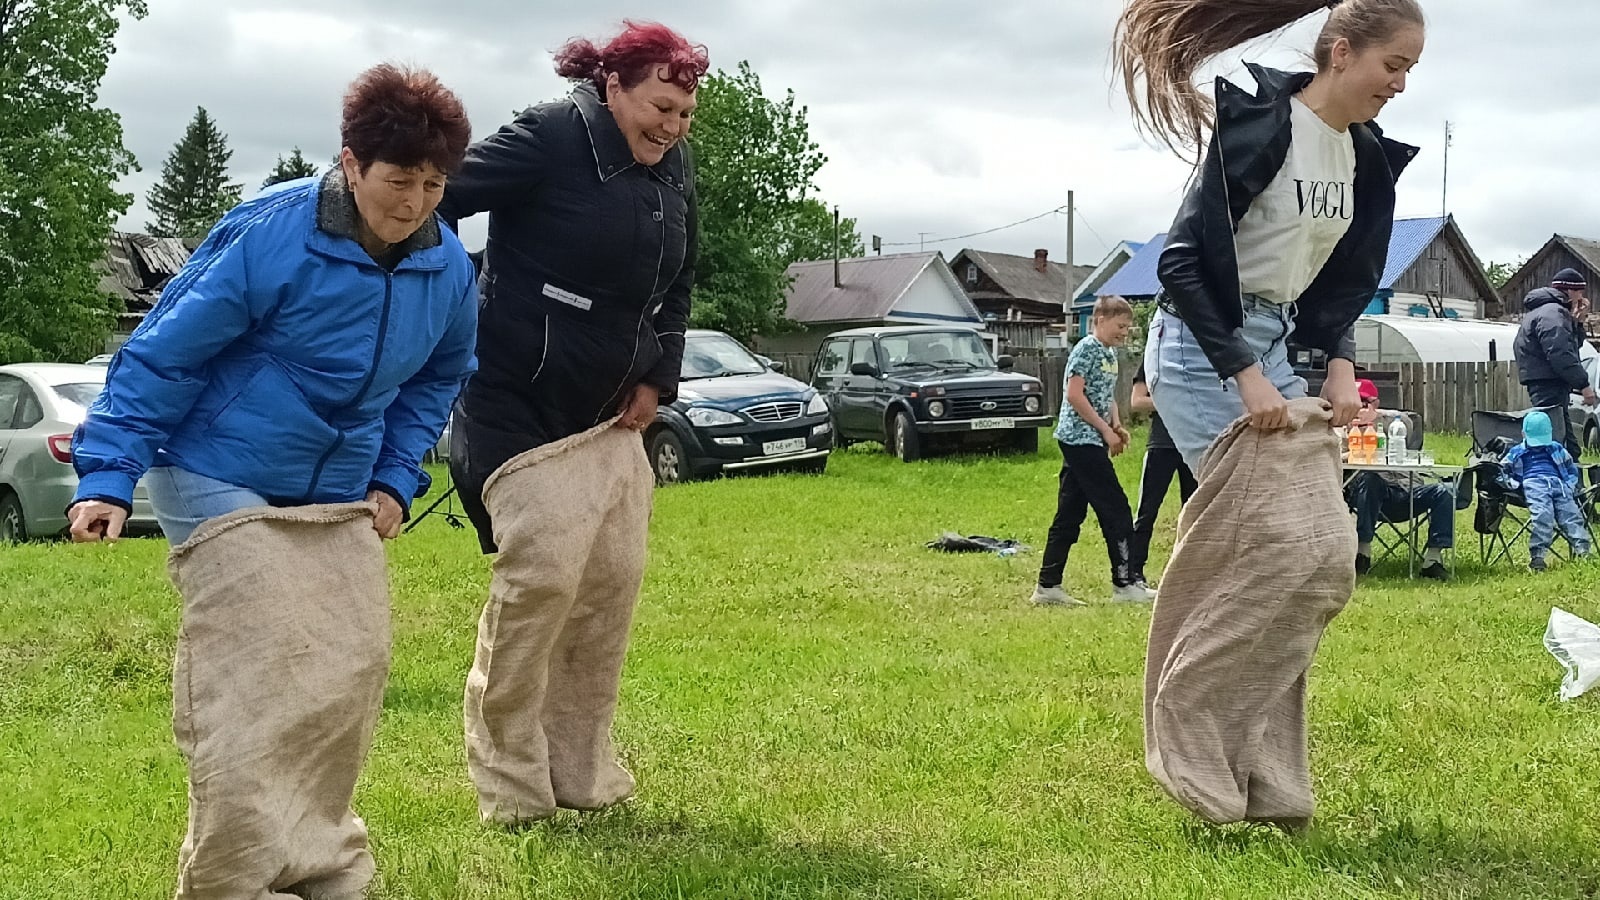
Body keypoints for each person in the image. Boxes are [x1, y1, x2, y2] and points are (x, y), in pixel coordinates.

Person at [67, 64, 477, 897]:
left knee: (346, 668)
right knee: (260, 670)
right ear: (352, 163)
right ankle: (233, 876)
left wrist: (396, 478)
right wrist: (108, 474)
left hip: (337, 480)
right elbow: (163, 354)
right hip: (215, 466)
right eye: (400, 181)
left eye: (435, 185)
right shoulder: (272, 233)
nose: (416, 204)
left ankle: (317, 860)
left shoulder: (447, 266)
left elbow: (439, 377)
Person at [1115, 0, 1424, 826]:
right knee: (1280, 545)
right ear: (1340, 51)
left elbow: (1339, 282)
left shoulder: (1363, 156)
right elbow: (1180, 262)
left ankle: (1266, 782)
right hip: (1202, 350)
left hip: (1282, 344)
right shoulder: (1262, 129)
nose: (1400, 84)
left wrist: (1340, 364)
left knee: (1324, 560)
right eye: (1392, 65)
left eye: (1410, 71)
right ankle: (1186, 730)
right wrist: (1247, 376)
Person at [435, 21, 706, 826]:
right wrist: (454, 305)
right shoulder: (550, 136)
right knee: (544, 580)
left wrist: (660, 374)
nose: (672, 127)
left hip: (612, 416)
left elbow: (681, 279)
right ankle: (511, 783)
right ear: (613, 87)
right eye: (660, 107)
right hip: (515, 404)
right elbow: (437, 198)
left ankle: (580, 772)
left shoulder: (674, 167)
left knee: (606, 591)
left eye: (686, 114)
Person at [1031, 297, 1153, 607]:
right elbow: (1074, 395)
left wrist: (1116, 424)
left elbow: (1105, 394)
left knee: (1069, 514)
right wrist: (1103, 430)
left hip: (1093, 437)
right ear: (1099, 320)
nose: (1124, 333)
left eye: (1127, 327)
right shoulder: (1085, 349)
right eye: (1120, 326)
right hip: (1079, 439)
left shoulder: (1109, 353)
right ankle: (1125, 585)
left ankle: (1048, 586)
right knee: (1117, 510)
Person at [1345, 379, 1452, 580]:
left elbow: (1408, 421)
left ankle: (1433, 560)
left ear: (1375, 403)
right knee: (1370, 478)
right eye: (1355, 402)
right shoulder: (1342, 429)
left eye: (1364, 402)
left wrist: (1377, 416)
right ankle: (1363, 554)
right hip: (1369, 499)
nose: (1359, 408)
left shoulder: (1392, 423)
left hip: (1407, 492)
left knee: (1443, 492)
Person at [1514, 267, 1595, 459]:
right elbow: (1561, 353)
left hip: (1545, 383)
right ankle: (1556, 484)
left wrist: (1577, 322)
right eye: (1580, 291)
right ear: (1570, 291)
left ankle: (1568, 484)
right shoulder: (1553, 313)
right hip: (1549, 384)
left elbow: (1569, 344)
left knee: (1564, 444)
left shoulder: (1545, 312)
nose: (1582, 296)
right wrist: (1583, 384)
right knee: (1556, 444)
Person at [1128, 361, 1197, 587]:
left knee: (1195, 513)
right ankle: (1134, 572)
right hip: (1162, 444)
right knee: (1147, 511)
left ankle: (1189, 573)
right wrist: (1174, 403)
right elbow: (1137, 401)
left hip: (1193, 445)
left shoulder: (1204, 359)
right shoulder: (1156, 359)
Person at [1503, 410, 1592, 571]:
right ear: (1523, 434)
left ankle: (1583, 551)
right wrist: (1513, 484)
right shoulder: (1517, 452)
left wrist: (1570, 485)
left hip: (1560, 484)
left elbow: (1571, 469)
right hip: (1533, 484)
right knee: (1543, 516)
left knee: (1572, 515)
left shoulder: (1556, 448)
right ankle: (1538, 556)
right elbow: (1503, 470)